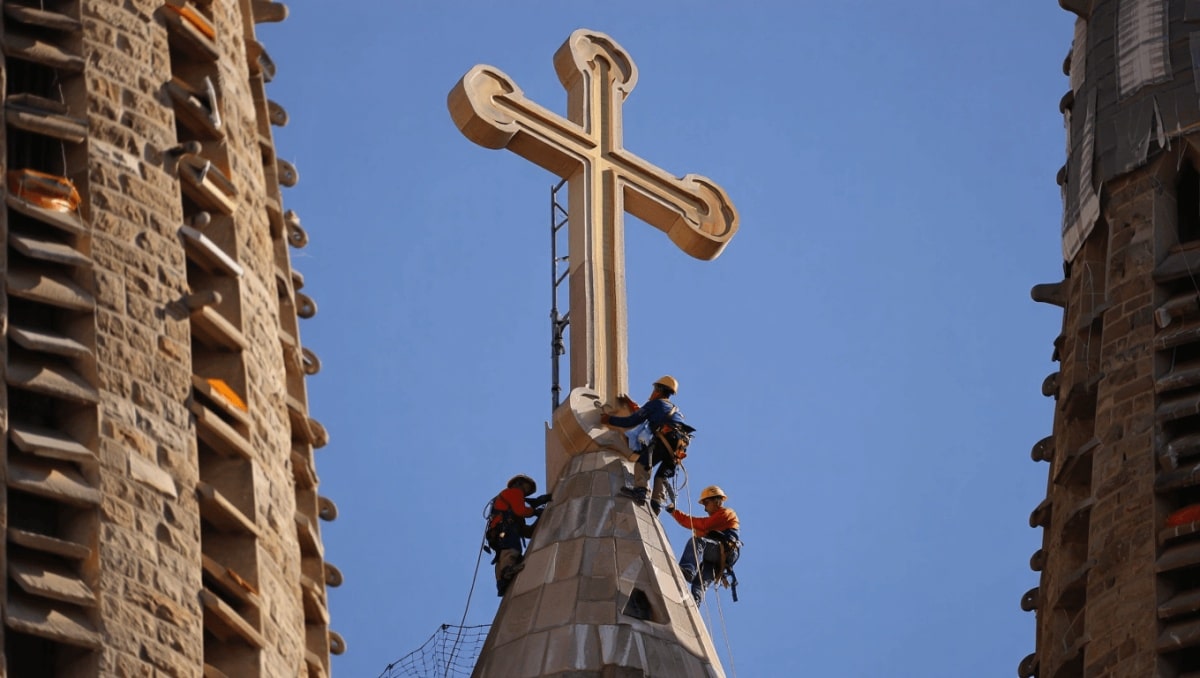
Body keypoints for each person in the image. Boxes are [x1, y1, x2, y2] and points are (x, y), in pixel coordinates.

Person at [600, 375, 694, 514]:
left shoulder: (655, 404)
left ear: (659, 390)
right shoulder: (673, 408)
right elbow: (655, 416)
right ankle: (656, 504)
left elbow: (632, 421)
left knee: (642, 464)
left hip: (666, 438)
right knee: (662, 475)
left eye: (655, 389)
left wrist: (609, 419)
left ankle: (640, 492)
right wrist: (637, 408)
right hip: (679, 445)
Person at [667, 484, 740, 605]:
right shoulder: (716, 522)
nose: (705, 509)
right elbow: (696, 526)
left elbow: (701, 524)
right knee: (699, 583)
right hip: (717, 555)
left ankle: (688, 570)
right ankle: (694, 605)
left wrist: (675, 512)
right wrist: (675, 514)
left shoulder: (727, 513)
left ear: (716, 501)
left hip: (724, 550)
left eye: (706, 504)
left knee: (697, 542)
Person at [486, 474, 551, 596]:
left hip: (498, 533)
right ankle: (507, 570)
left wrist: (540, 518)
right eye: (527, 487)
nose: (526, 491)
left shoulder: (513, 511)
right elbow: (521, 510)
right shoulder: (514, 492)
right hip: (504, 529)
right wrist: (535, 512)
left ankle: (501, 582)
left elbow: (526, 532)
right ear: (520, 483)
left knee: (502, 554)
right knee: (510, 550)